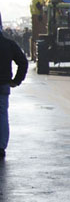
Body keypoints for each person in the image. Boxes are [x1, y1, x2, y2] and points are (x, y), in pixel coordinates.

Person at [0, 12, 28, 159]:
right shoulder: (9, 44)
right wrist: (16, 81)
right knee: (2, 116)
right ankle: (1, 146)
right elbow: (23, 62)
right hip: (3, 84)